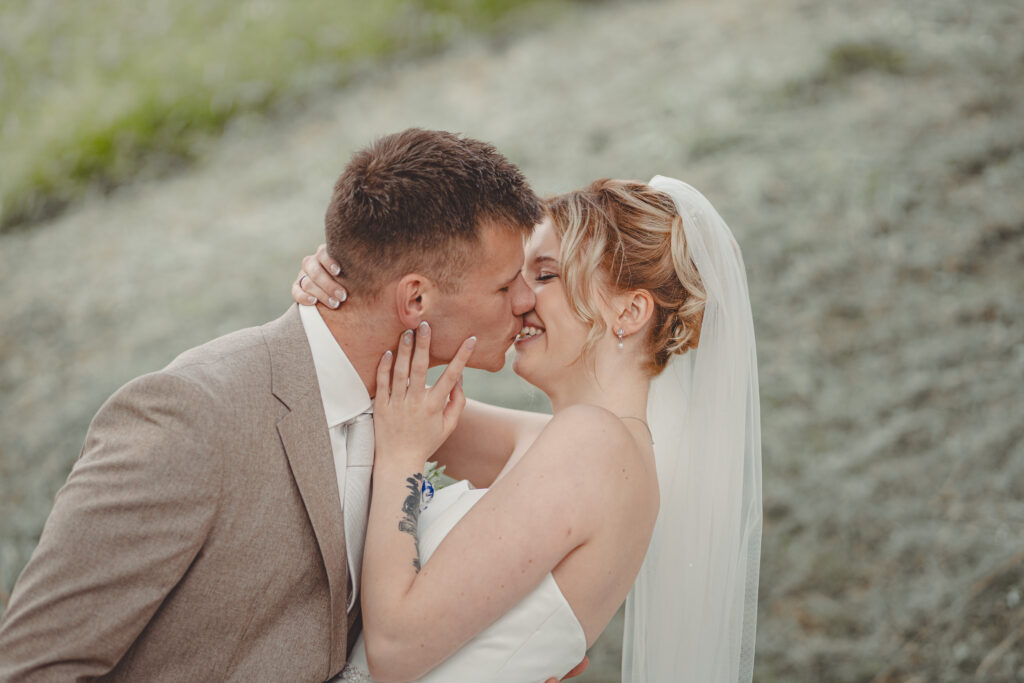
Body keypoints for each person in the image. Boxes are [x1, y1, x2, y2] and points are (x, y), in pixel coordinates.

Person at [0, 129, 590, 682]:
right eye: (504, 284)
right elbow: (34, 666)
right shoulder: (190, 416)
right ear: (415, 298)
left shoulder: (409, 414)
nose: (524, 301)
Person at [294, 176, 763, 682]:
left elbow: (393, 647)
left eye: (545, 275)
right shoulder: (591, 450)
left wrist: (404, 463)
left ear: (628, 310)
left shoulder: (594, 448)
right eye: (517, 278)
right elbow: (383, 402)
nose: (519, 299)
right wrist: (349, 287)